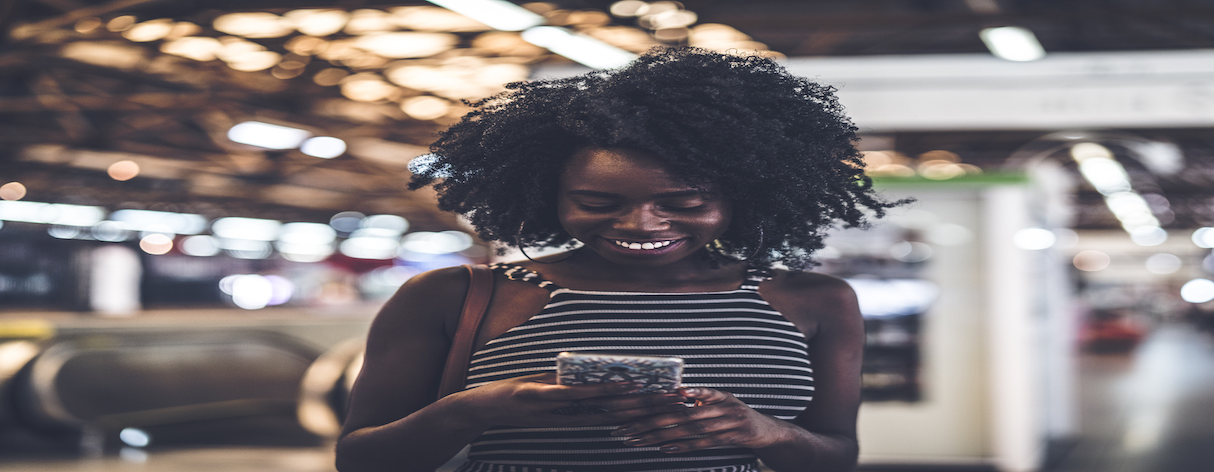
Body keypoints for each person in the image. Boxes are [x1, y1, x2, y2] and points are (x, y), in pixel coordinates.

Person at [335, 47, 903, 472]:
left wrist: (764, 432)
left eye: (685, 203)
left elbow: (836, 454)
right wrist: (477, 409)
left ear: (742, 196)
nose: (641, 225)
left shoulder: (815, 302)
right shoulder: (454, 296)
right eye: (597, 202)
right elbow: (361, 459)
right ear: (548, 194)